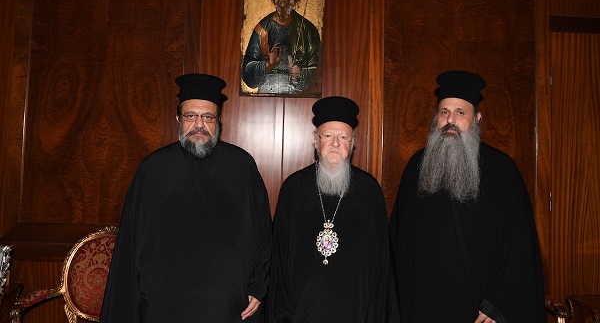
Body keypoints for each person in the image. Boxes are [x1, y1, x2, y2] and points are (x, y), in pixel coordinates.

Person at [100, 73, 272, 323]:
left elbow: (264, 235)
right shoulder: (153, 170)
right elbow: (130, 246)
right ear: (178, 119)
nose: (199, 124)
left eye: (208, 117)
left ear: (218, 121)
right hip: (165, 306)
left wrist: (258, 286)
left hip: (226, 307)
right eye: (191, 116)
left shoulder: (242, 166)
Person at [389, 71, 546, 323]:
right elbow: (399, 242)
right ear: (436, 118)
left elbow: (519, 245)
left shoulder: (502, 170)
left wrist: (497, 303)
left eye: (460, 112)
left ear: (477, 120)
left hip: (478, 310)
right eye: (444, 112)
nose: (450, 120)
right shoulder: (416, 166)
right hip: (423, 304)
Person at [269, 96, 400, 323]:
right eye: (328, 136)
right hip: (302, 311)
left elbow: (381, 263)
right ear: (315, 141)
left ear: (352, 143)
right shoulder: (293, 188)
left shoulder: (369, 191)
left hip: (354, 309)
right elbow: (279, 258)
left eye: (343, 137)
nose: (336, 144)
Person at [242, 0, 320, 94]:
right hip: (267, 90)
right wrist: (268, 65)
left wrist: (301, 72)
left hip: (298, 94)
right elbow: (247, 69)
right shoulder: (262, 28)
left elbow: (319, 69)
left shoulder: (308, 30)